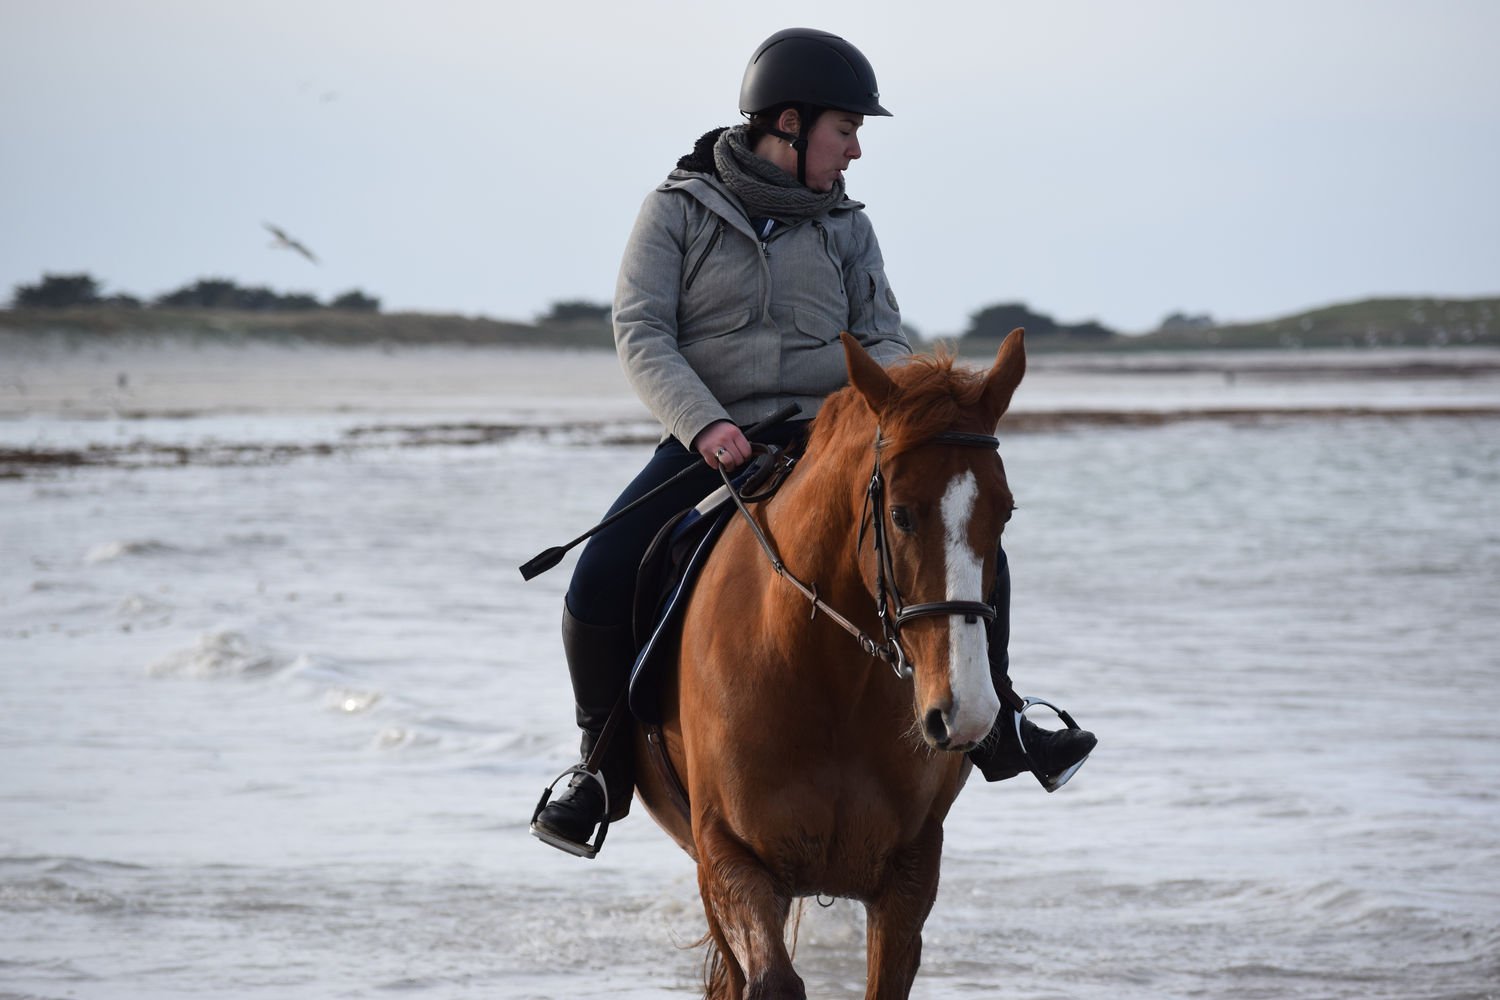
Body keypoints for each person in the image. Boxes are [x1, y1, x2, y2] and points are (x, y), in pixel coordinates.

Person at [531, 27, 1096, 858]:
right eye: (846, 131)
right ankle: (602, 767)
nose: (857, 151)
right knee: (599, 578)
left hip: (834, 439)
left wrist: (900, 415)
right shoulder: (676, 211)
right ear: (787, 125)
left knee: (964, 543)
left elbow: (882, 335)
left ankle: (1001, 719)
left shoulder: (848, 229)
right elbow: (642, 332)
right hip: (708, 440)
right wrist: (708, 426)